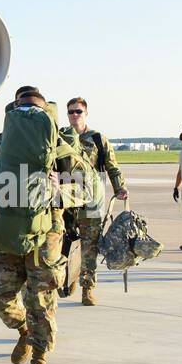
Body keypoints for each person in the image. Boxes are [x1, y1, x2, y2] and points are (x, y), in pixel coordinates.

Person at [0, 87, 69, 364]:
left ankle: (39, 360)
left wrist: (58, 188)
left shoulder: (58, 147)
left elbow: (87, 189)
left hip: (45, 232)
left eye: (33, 108)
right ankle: (24, 330)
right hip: (9, 228)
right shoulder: (1, 144)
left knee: (41, 301)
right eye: (21, 107)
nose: (26, 112)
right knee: (0, 295)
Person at [65, 98, 130, 304]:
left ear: (86, 113)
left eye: (78, 111)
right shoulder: (62, 137)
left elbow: (112, 165)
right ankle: (69, 277)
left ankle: (88, 288)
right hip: (66, 199)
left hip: (91, 198)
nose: (74, 115)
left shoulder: (97, 139)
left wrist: (120, 187)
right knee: (64, 243)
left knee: (89, 246)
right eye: (71, 112)